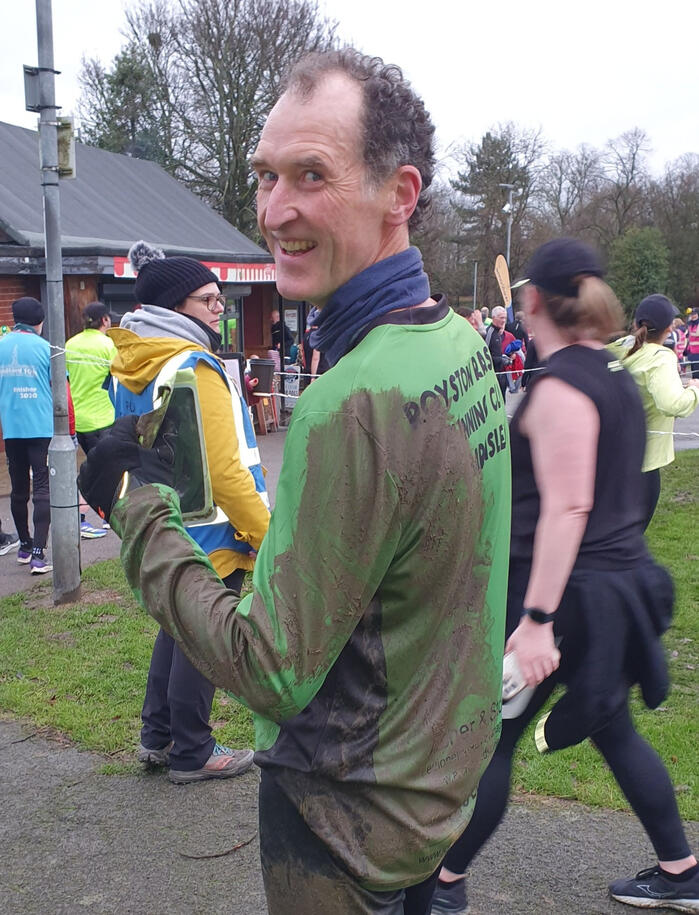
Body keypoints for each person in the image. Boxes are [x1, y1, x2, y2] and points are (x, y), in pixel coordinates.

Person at [79, 48, 511, 914]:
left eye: (311, 174)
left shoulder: (349, 403)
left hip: (343, 822)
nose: (276, 210)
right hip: (432, 794)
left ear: (399, 193)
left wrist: (134, 508)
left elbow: (270, 671)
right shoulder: (456, 342)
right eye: (265, 175)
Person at [431, 238, 698, 915]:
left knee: (494, 736)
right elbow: (625, 494)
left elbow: (569, 504)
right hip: (610, 586)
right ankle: (681, 868)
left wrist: (536, 621)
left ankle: (442, 882)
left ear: (530, 302)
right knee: (611, 727)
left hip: (561, 600)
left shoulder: (557, 385)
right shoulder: (612, 373)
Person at [106, 241, 271, 785]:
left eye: (221, 298)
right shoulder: (195, 366)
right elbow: (226, 472)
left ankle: (158, 736)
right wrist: (265, 532)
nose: (219, 308)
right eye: (208, 299)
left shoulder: (133, 362)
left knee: (175, 629)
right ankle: (193, 751)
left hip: (162, 524)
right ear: (177, 306)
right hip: (212, 530)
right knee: (204, 636)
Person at [608, 295, 699, 529]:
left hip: (614, 458)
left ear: (637, 323)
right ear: (669, 328)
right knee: (629, 540)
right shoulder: (660, 357)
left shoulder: (621, 347)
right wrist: (693, 391)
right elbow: (672, 404)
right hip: (643, 465)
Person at [0, 297, 53, 574]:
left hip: (12, 429)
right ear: (40, 321)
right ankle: (38, 554)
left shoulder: (1, 346)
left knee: (19, 489)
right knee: (43, 487)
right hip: (41, 428)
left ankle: (23, 545)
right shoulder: (46, 348)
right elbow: (59, 389)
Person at [66, 301, 116, 538]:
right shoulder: (108, 345)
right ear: (104, 320)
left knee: (89, 468)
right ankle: (109, 516)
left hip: (79, 419)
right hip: (104, 417)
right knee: (108, 470)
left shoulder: (70, 344)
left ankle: (83, 517)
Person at [486, 306, 508, 400]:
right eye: (501, 318)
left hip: (500, 373)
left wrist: (504, 357)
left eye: (505, 318)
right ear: (494, 318)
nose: (504, 320)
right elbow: (484, 355)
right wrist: (500, 360)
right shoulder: (489, 332)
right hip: (491, 376)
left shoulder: (498, 332)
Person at [686, 308, 699, 378]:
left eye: (694, 314)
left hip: (698, 352)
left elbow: (697, 334)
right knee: (693, 372)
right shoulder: (691, 324)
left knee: (697, 373)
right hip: (692, 352)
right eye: (691, 315)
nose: (693, 316)